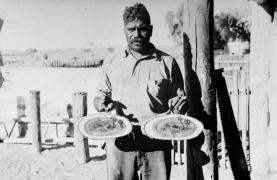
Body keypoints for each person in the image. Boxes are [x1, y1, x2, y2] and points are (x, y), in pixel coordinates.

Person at [93, 3, 188, 180]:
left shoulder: (167, 63)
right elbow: (99, 96)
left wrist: (179, 106)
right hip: (119, 142)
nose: (136, 34)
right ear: (124, 30)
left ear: (150, 30)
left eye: (142, 29)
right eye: (131, 29)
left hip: (157, 143)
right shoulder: (112, 61)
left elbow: (179, 105)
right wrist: (101, 103)